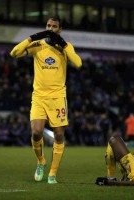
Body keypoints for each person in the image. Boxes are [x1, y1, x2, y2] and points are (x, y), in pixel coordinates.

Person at [10, 16, 82, 184]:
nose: (51, 28)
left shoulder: (65, 48)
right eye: (48, 25)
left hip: (57, 97)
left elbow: (78, 63)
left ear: (60, 29)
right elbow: (14, 53)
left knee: (58, 134)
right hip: (39, 97)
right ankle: (41, 161)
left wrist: (63, 44)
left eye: (54, 26)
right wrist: (33, 37)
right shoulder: (38, 46)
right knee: (36, 132)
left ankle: (53, 173)